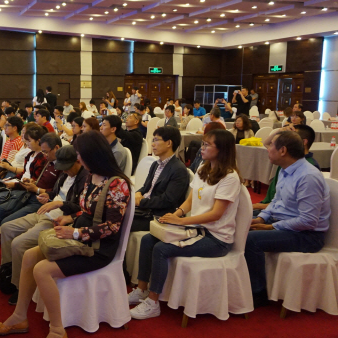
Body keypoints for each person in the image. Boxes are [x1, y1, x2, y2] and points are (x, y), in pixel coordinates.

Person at [0, 131, 131, 338]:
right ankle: (20, 316)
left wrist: (75, 233)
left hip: (98, 248)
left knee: (42, 270)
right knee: (28, 255)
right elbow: (85, 210)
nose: (79, 159)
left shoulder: (117, 184)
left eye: (80, 155)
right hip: (80, 235)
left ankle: (58, 331)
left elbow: (112, 228)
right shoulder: (91, 175)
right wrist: (69, 217)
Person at [130, 129, 242, 319]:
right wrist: (175, 216)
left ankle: (153, 301)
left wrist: (181, 221)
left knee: (161, 249)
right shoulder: (203, 169)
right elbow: (190, 200)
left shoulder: (230, 177)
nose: (202, 148)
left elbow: (215, 214)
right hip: (196, 230)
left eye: (207, 145)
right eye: (203, 143)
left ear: (222, 149)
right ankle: (141, 289)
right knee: (150, 239)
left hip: (216, 238)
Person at [245, 130, 330, 307]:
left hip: (307, 235)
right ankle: (241, 281)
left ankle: (257, 293)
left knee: (250, 240)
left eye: (271, 147)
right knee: (238, 219)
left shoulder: (308, 176)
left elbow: (308, 221)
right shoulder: (285, 169)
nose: (267, 149)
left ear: (282, 150)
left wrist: (270, 227)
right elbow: (276, 201)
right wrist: (260, 219)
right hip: (283, 222)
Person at [0, 145, 90, 304]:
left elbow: (82, 209)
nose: (65, 171)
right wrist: (46, 195)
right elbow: (55, 193)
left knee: (19, 244)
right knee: (7, 228)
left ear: (78, 162)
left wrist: (60, 204)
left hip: (59, 218)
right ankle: (9, 269)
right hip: (47, 211)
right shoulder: (65, 174)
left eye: (67, 168)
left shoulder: (86, 179)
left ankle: (21, 287)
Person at [0, 132, 62, 245]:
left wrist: (34, 188)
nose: (45, 154)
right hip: (30, 192)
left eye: (46, 151)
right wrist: (32, 183)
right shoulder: (47, 161)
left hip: (39, 199)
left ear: (56, 148)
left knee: (3, 216)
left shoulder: (58, 165)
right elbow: (34, 178)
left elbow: (55, 192)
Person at [132, 126, 190, 232]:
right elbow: (146, 187)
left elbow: (167, 200)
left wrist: (141, 202)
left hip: (157, 215)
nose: (153, 144)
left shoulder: (178, 169)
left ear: (169, 143)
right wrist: (138, 193)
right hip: (144, 209)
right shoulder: (155, 164)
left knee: (119, 222)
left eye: (156, 140)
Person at [252, 125, 321, 215]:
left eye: (291, 136)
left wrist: (257, 207)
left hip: (281, 213)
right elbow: (277, 201)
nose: (286, 138)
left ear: (303, 142)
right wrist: (280, 131)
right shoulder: (287, 162)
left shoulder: (308, 170)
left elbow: (292, 209)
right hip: (272, 207)